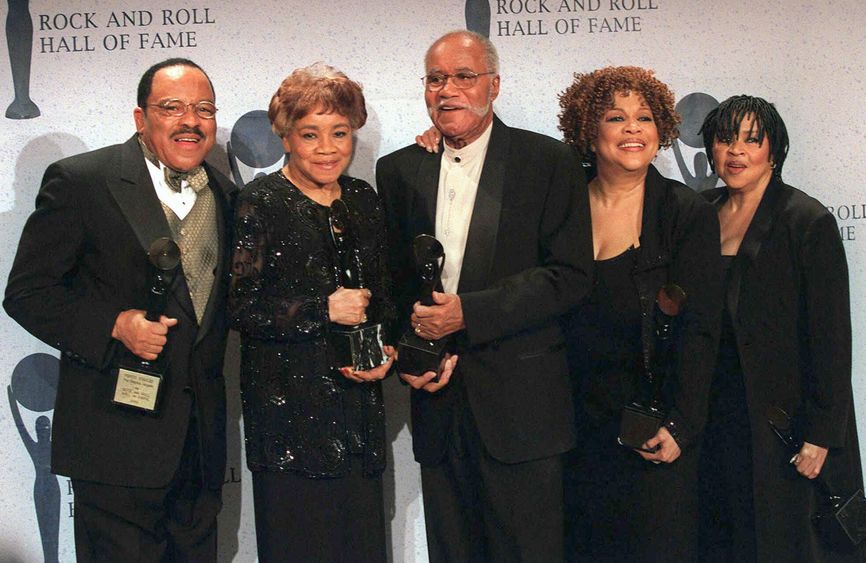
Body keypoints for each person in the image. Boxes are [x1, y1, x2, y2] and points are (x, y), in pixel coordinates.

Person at [3, 58, 235, 561]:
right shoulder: (83, 181)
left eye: (204, 109)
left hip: (199, 451)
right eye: (171, 108)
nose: (190, 121)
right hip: (114, 443)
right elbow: (27, 292)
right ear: (140, 118)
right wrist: (114, 325)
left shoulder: (228, 194)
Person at [377, 30, 592, 562]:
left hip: (523, 409)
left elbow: (569, 275)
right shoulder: (401, 169)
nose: (448, 90)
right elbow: (395, 285)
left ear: (494, 85)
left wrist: (467, 313)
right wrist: (410, 352)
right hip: (439, 404)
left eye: (464, 76)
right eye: (436, 78)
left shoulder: (548, 161)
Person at [228, 63, 395, 562]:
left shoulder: (363, 199)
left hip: (359, 416)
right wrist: (323, 310)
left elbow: (381, 296)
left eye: (339, 132)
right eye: (310, 134)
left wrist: (385, 349)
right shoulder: (259, 203)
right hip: (290, 424)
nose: (327, 148)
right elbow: (240, 308)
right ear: (285, 137)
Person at [557, 66, 723, 562]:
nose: (633, 129)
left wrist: (682, 425)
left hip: (652, 430)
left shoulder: (683, 213)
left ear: (662, 131)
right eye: (615, 117)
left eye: (645, 117)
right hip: (573, 434)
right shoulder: (558, 205)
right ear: (589, 130)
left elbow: (702, 330)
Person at [698, 95, 866, 562]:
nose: (736, 152)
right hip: (719, 415)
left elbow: (832, 338)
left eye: (752, 140)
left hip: (787, 426)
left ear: (775, 152)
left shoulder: (805, 220)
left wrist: (822, 434)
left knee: (786, 544)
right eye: (725, 139)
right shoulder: (699, 213)